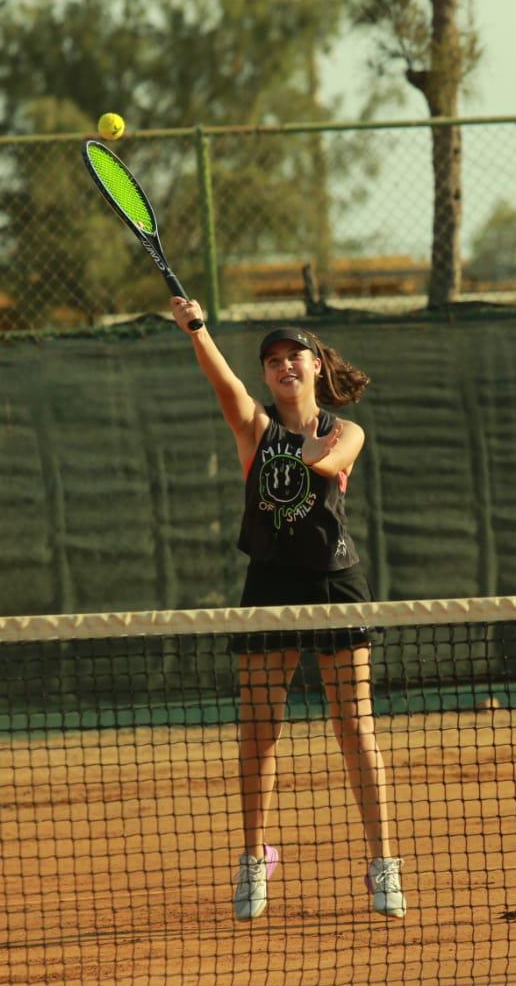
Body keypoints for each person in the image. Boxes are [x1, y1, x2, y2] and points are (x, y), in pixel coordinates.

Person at [171, 296, 406, 923]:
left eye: (293, 356)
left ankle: (384, 864)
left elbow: (335, 459)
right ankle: (254, 861)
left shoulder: (344, 429)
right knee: (258, 733)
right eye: (272, 360)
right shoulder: (254, 426)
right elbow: (224, 383)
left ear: (316, 366)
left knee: (355, 726)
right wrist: (199, 331)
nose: (283, 366)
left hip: (335, 583)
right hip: (269, 586)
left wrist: (314, 455)